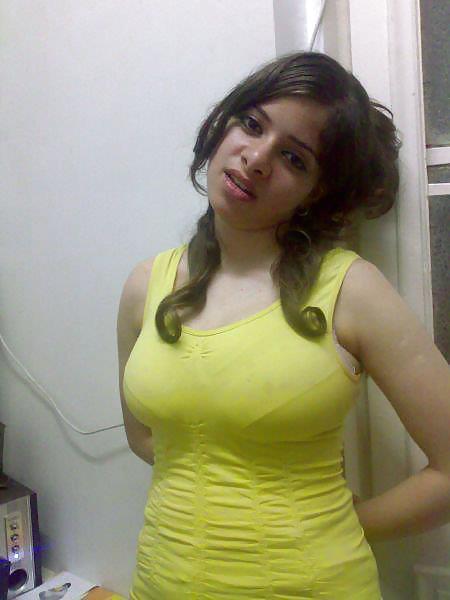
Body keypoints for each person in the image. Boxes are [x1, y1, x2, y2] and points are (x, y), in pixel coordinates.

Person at [117, 52, 450, 599]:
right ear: (224, 123)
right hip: (159, 582)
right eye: (252, 125)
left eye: (294, 158)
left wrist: (343, 523)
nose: (256, 159)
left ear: (315, 191)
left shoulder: (351, 290)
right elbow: (145, 438)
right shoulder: (144, 286)